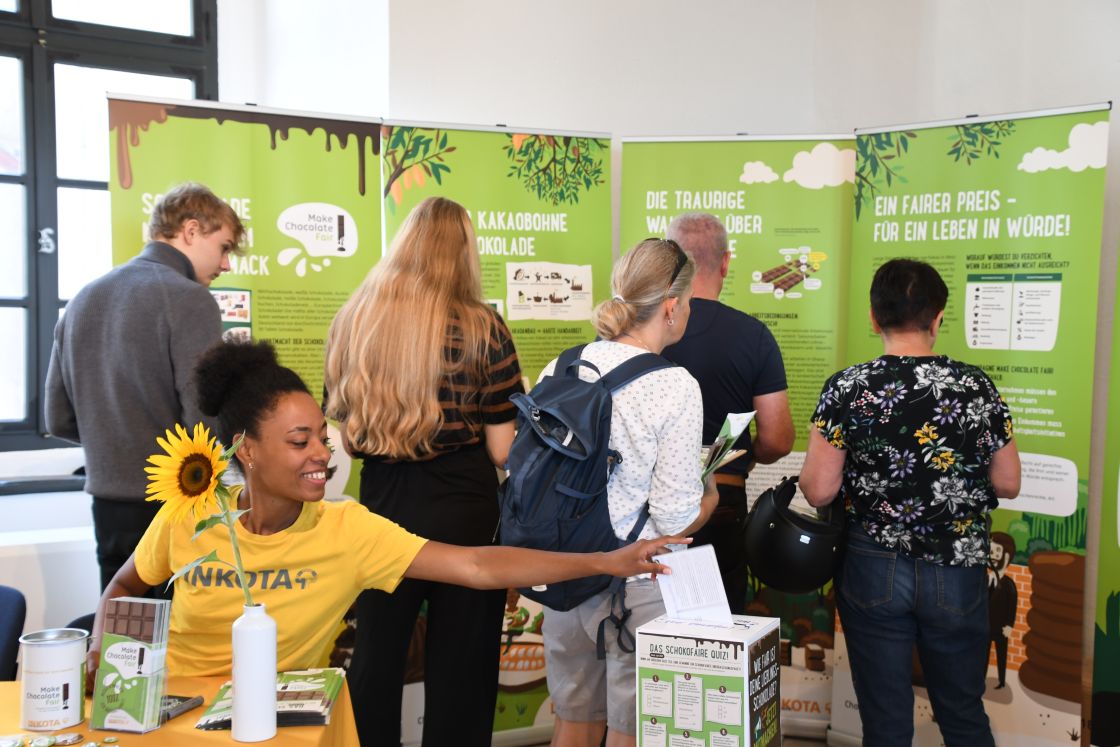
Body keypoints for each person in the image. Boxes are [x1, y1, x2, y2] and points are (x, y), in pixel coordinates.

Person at [87, 340, 684, 689]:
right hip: (172, 711)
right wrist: (100, 650)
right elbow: (123, 586)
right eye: (300, 443)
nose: (324, 453)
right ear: (248, 449)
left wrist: (604, 559)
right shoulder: (190, 514)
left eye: (322, 435)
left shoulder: (346, 530)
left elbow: (475, 565)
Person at [322, 197, 523, 747]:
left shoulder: (354, 320)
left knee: (376, 660)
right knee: (464, 668)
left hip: (382, 504)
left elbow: (347, 437)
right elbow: (504, 450)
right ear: (462, 252)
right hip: (465, 505)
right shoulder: (484, 329)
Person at [799, 258, 1021, 747]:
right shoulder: (975, 387)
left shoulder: (847, 388)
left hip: (872, 565)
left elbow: (818, 490)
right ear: (938, 317)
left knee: (885, 722)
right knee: (963, 713)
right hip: (958, 565)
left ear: (874, 319)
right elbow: (1008, 484)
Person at [537, 238, 718, 747]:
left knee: (572, 721)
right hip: (637, 578)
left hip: (564, 570)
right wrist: (710, 498)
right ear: (671, 306)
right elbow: (673, 513)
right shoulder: (676, 385)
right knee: (634, 729)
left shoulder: (564, 365)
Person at [45, 182, 245, 595]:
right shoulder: (190, 299)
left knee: (122, 639)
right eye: (224, 247)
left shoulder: (82, 299)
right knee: (175, 644)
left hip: (106, 505)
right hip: (176, 506)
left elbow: (58, 418)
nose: (225, 264)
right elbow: (203, 417)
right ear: (190, 231)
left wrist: (114, 441)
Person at [660, 213, 794, 612]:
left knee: (651, 631)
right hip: (721, 499)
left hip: (646, 509)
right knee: (719, 636)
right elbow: (777, 438)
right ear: (725, 262)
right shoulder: (753, 336)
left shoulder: (639, 331)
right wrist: (742, 458)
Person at [988, 531, 1018, 689]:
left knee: (1001, 654)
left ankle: (1001, 680)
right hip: (985, 626)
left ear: (1006, 556)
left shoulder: (1008, 584)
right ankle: (980, 677)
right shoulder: (986, 579)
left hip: (1001, 628)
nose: (993, 556)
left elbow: (1012, 605)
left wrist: (1009, 625)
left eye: (997, 552)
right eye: (991, 551)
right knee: (983, 655)